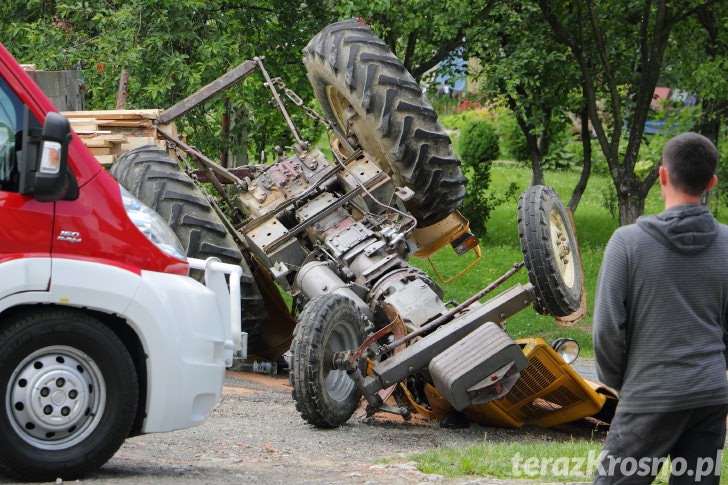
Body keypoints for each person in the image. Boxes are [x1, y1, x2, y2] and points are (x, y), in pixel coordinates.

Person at [593, 132, 728, 484]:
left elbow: (608, 329)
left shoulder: (627, 243)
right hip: (710, 398)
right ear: (711, 183)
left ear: (662, 176)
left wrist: (619, 383)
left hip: (649, 393)